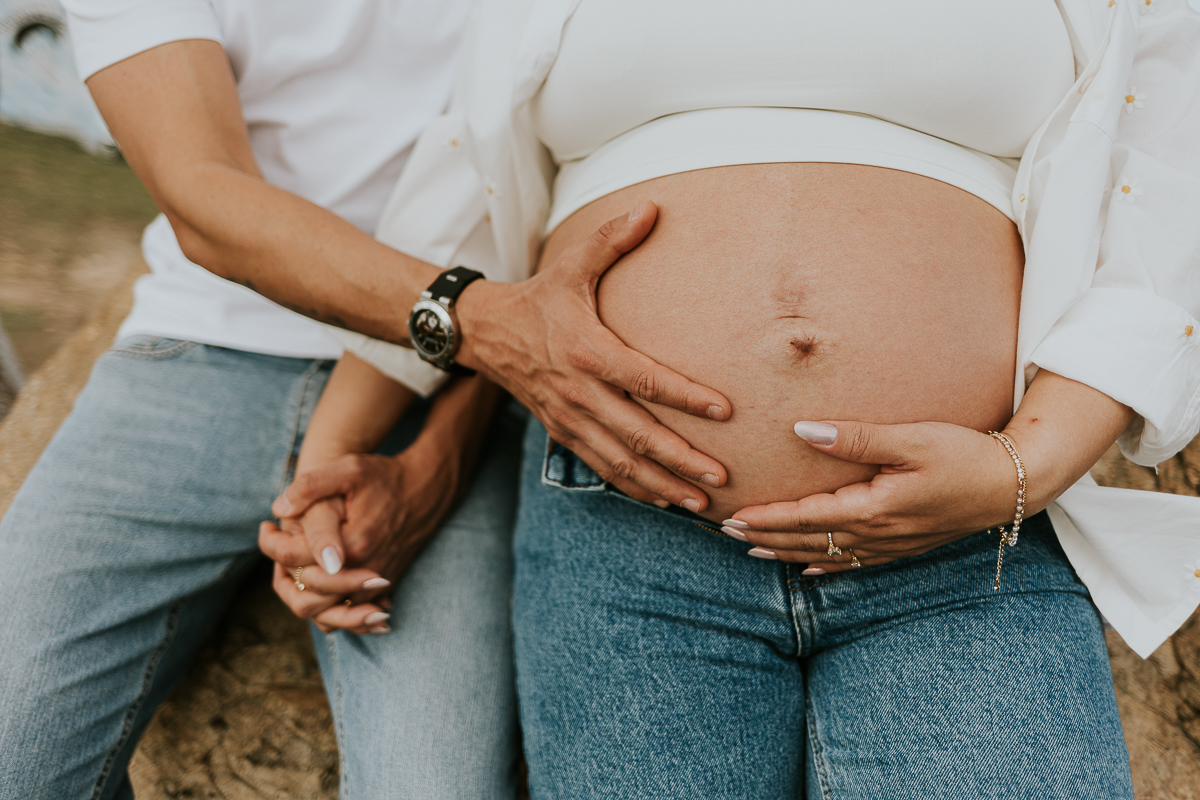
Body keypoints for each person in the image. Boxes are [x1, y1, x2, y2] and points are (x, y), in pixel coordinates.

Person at [278, 0, 1200, 797]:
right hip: (628, 529)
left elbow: (1166, 194)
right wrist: (333, 458)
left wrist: (1022, 468)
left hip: (967, 539)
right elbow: (464, 197)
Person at [0, 2, 526, 797]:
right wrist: (468, 319)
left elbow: (536, 201)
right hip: (200, 357)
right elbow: (204, 196)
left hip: (447, 383)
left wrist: (438, 462)